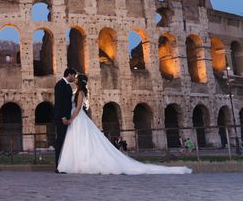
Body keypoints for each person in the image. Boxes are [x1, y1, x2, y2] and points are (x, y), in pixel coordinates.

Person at [57, 74, 192, 175]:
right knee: (79, 141)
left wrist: (70, 119)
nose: (74, 79)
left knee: (83, 141)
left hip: (77, 118)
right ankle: (79, 162)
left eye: (76, 78)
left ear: (79, 81)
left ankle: (84, 163)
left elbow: (78, 107)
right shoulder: (76, 91)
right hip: (77, 119)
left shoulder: (80, 92)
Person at [53, 67, 77, 173]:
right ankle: (58, 166)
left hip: (66, 118)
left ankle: (63, 164)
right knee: (60, 142)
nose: (74, 78)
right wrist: (63, 117)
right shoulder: (60, 84)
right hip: (61, 118)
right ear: (70, 74)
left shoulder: (67, 85)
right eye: (74, 75)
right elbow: (58, 102)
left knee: (64, 142)